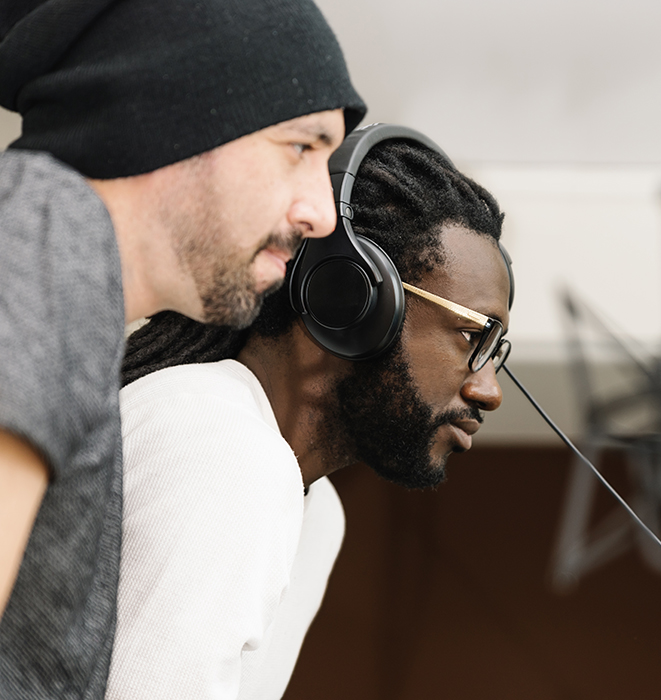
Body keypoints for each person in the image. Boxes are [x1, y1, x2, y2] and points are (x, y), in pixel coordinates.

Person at [0, 1, 365, 697]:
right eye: (300, 146)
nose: (321, 212)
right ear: (176, 110)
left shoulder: (57, 267)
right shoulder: (45, 232)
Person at [111, 132, 513, 699]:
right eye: (473, 335)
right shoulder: (217, 442)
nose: (488, 390)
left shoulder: (315, 510)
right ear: (349, 299)